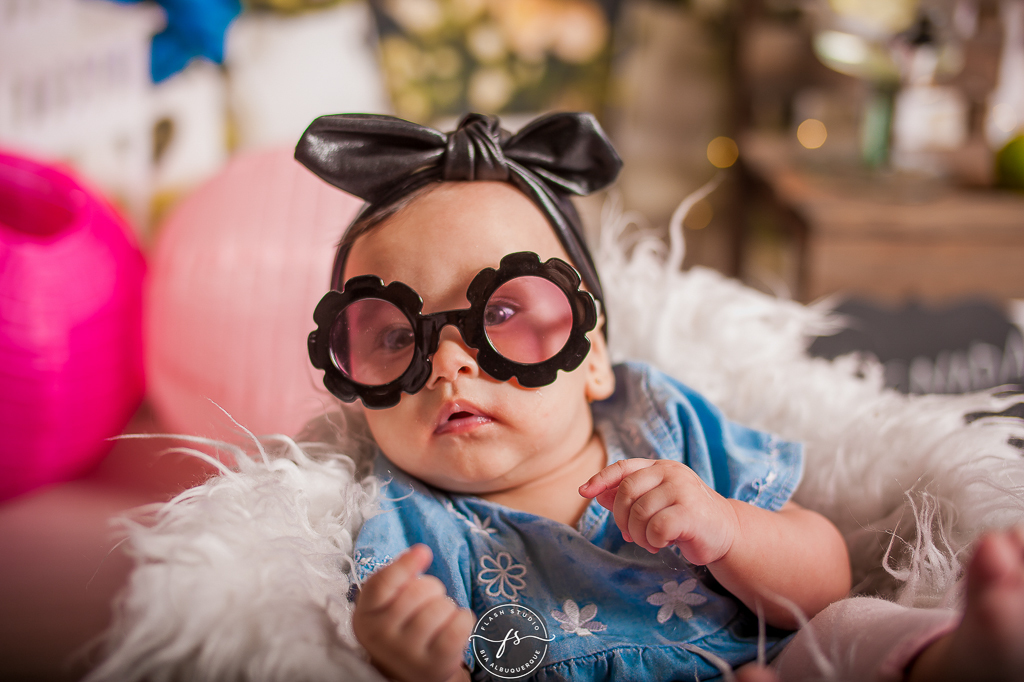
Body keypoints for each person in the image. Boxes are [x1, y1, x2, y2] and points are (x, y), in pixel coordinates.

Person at [295, 112, 1024, 682]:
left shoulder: (663, 423)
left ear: (596, 360)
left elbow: (827, 577)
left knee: (852, 627)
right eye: (395, 338)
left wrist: (731, 529)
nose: (446, 364)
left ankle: (956, 662)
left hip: (770, 664)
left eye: (503, 313)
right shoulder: (410, 532)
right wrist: (412, 662)